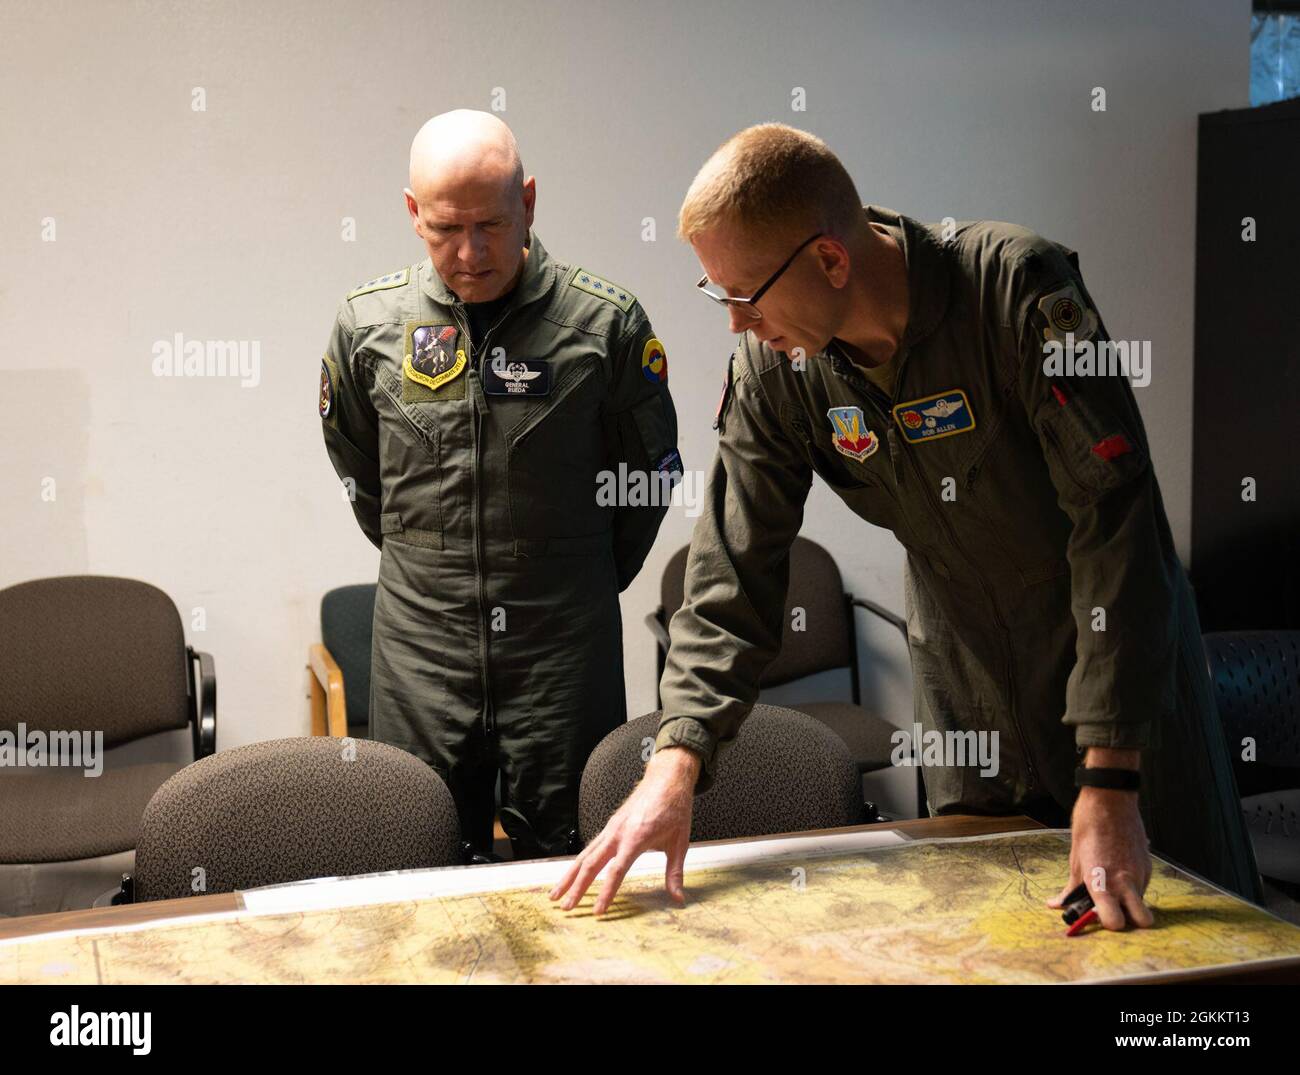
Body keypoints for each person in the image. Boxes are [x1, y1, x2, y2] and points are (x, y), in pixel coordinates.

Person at [551, 122, 1260, 920]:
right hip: (966, 683)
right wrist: (673, 767)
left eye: (746, 296)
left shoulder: (1015, 290)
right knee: (994, 928)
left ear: (830, 258)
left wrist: (1111, 776)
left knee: (1190, 939)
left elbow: (1116, 522)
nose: (736, 324)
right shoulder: (778, 367)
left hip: (1117, 662)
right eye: (718, 295)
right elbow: (733, 569)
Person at [320, 110, 679, 859]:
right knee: (413, 853)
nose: (472, 251)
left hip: (561, 644)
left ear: (531, 203)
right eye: (447, 228)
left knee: (574, 854)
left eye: (491, 223)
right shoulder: (368, 326)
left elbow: (645, 477)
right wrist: (432, 560)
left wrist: (580, 574)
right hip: (422, 642)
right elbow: (359, 469)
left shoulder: (602, 326)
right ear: (413, 213)